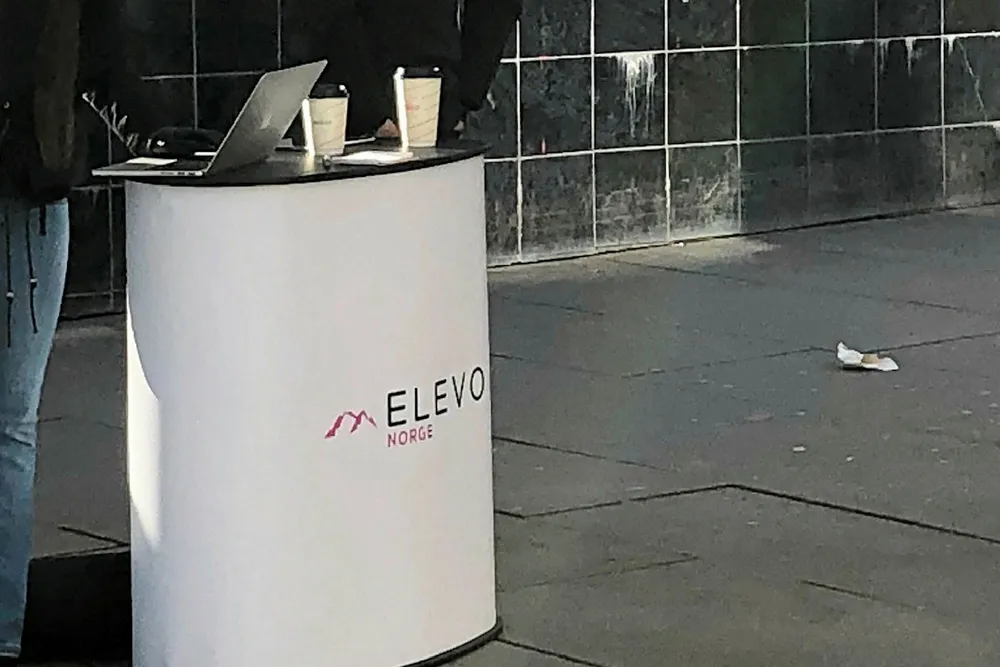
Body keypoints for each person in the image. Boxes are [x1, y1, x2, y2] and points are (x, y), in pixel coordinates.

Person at [0, 0, 165, 661]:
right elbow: (99, 57)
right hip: (26, 191)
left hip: (30, 192)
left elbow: (99, 59)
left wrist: (165, 141)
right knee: (9, 428)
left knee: (10, 427)